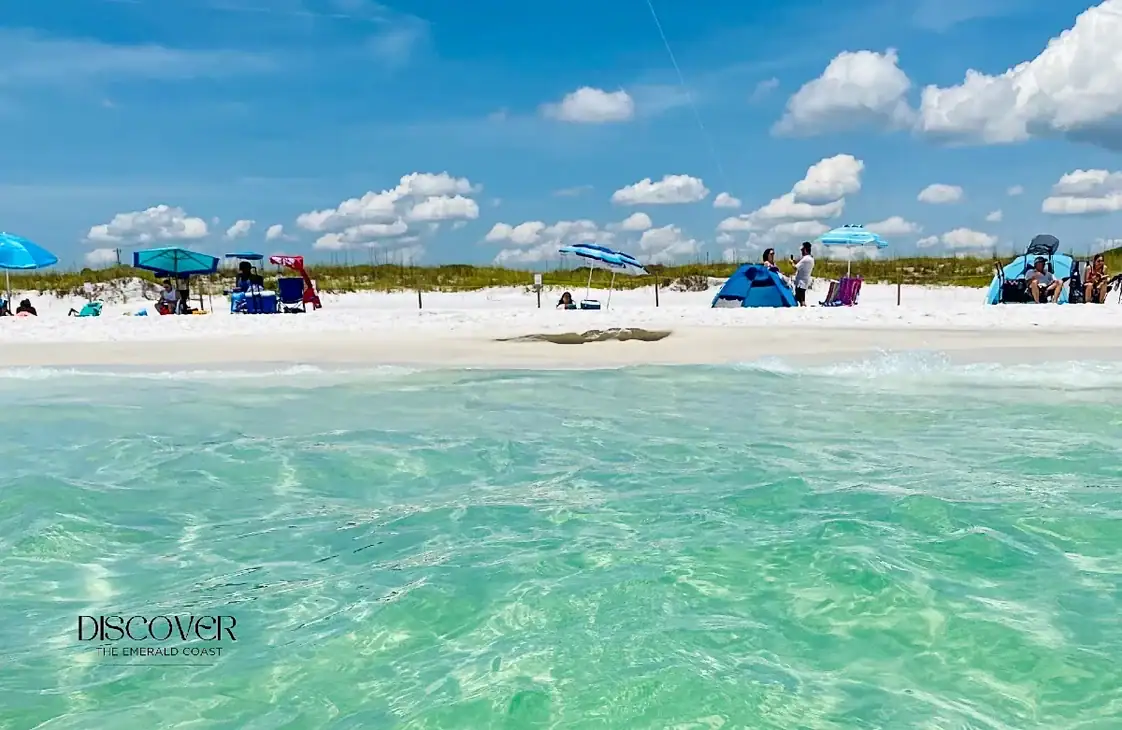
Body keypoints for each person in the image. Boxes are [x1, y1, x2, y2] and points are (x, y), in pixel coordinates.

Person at [789, 242, 815, 306]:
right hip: (805, 281)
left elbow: (795, 268)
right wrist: (795, 262)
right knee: (800, 298)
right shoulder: (811, 259)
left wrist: (791, 262)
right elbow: (802, 265)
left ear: (805, 250)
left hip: (800, 283)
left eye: (802, 250)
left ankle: (804, 308)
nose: (801, 252)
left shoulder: (805, 259)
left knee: (801, 300)